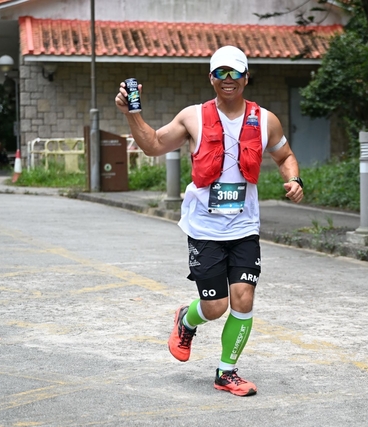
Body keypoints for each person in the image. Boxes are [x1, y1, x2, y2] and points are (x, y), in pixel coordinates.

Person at [114, 45, 304, 396]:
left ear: (246, 77)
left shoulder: (266, 120)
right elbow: (153, 145)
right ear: (211, 77)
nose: (228, 79)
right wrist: (132, 115)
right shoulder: (193, 117)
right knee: (215, 307)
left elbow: (285, 156)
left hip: (244, 227)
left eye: (235, 73)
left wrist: (294, 179)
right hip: (204, 228)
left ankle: (226, 372)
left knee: (243, 298)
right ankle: (187, 319)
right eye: (221, 72)